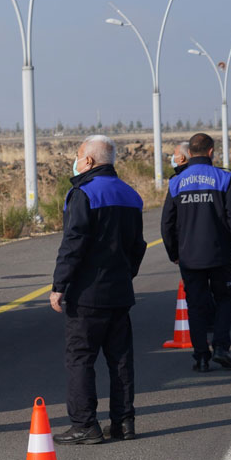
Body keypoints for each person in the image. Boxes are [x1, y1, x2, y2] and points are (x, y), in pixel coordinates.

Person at [50, 135, 146, 444]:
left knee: (80, 358)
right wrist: (125, 274)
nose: (76, 161)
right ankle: (123, 422)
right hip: (119, 291)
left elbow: (74, 243)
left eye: (78, 156)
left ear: (88, 160)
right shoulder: (131, 195)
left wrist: (59, 285)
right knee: (119, 360)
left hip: (87, 294)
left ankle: (84, 425)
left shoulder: (83, 193)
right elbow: (138, 246)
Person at [160, 133, 231, 372]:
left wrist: (173, 252)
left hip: (189, 256)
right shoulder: (223, 177)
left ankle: (201, 356)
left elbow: (167, 223)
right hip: (218, 253)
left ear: (190, 153)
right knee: (224, 299)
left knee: (196, 305)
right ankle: (221, 347)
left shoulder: (176, 182)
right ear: (211, 151)